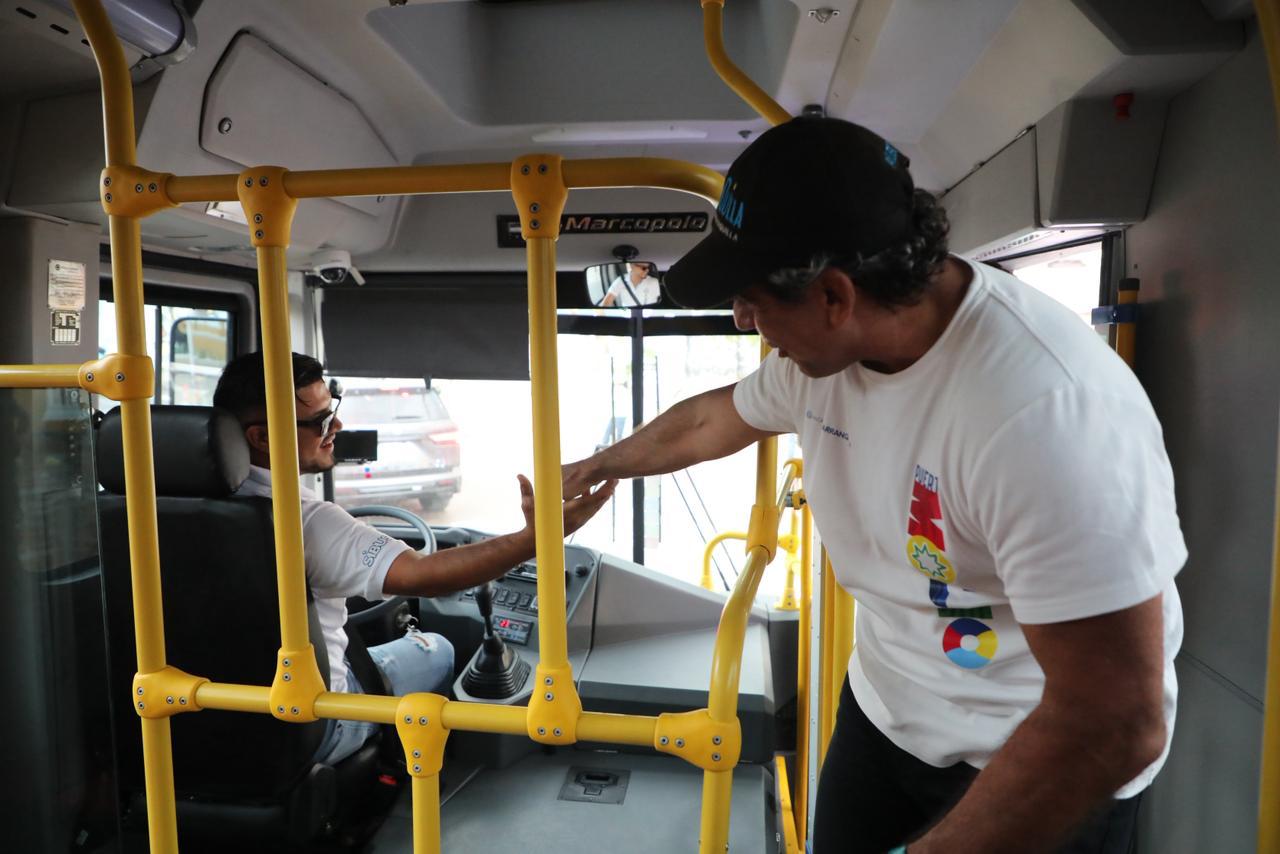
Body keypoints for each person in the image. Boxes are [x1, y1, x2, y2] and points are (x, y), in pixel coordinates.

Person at [562, 116, 1184, 853]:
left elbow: (1114, 720)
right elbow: (709, 421)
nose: (745, 321)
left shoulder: (1043, 412)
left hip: (1039, 753)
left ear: (834, 296)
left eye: (754, 300)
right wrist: (596, 467)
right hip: (887, 716)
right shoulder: (820, 364)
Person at [214, 352, 615, 764]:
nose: (337, 426)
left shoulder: (175, 511)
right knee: (436, 648)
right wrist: (535, 538)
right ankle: (409, 778)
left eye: (332, 410)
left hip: (202, 716)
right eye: (320, 421)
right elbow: (425, 575)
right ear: (262, 438)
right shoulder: (305, 522)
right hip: (309, 723)